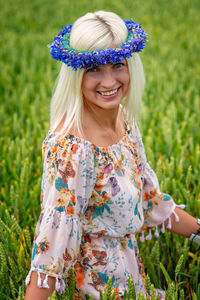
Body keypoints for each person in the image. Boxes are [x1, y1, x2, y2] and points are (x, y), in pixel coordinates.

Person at [25, 10, 200, 300]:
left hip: (131, 279)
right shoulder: (72, 149)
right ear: (75, 72)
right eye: (93, 68)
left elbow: (148, 200)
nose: (109, 82)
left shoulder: (125, 120)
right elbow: (51, 244)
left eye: (117, 65)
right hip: (95, 290)